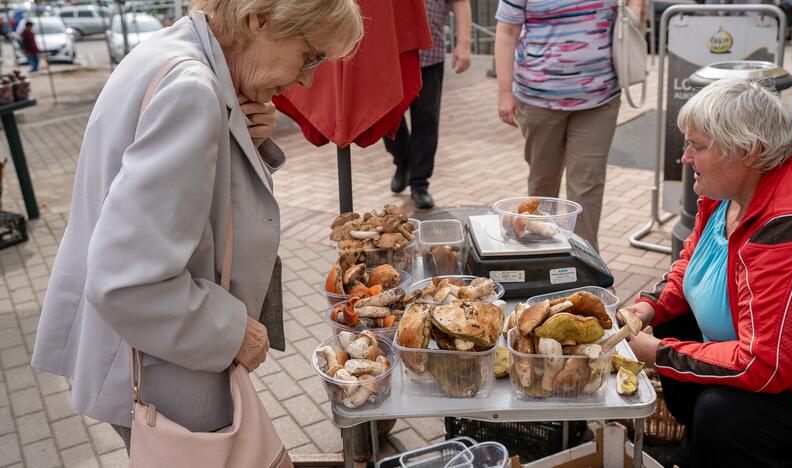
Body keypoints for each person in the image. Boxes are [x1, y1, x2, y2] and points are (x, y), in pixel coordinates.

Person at [30, 0, 362, 454]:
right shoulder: (193, 90)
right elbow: (128, 283)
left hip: (138, 353)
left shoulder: (172, 53)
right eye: (310, 57)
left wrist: (247, 138)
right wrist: (230, 332)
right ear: (258, 20)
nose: (307, 78)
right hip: (163, 370)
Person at [620, 79, 792, 467]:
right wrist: (649, 307)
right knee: (672, 324)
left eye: (697, 147)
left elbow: (767, 365)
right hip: (769, 349)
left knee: (723, 413)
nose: (685, 157)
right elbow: (692, 263)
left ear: (749, 151)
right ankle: (701, 447)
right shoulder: (730, 188)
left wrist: (657, 354)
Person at [495, 0, 643, 250]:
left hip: (599, 98)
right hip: (538, 99)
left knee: (588, 186)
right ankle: (541, 256)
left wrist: (635, 10)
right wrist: (504, 92)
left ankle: (585, 263)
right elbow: (507, 31)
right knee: (542, 186)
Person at [383, 0, 472, 209]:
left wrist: (464, 43)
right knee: (387, 119)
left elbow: (460, 2)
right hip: (390, 56)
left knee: (426, 120)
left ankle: (419, 184)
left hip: (430, 54)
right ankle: (403, 160)